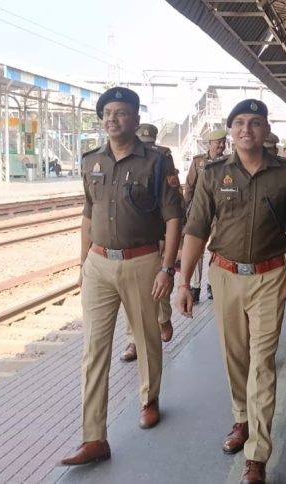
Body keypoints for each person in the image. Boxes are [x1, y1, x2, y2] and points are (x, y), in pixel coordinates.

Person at [175, 99, 286, 484]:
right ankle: (242, 419)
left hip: (269, 277)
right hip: (225, 276)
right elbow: (196, 229)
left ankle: (257, 455)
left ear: (265, 130)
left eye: (254, 122)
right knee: (235, 358)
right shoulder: (213, 173)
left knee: (262, 364)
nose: (246, 129)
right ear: (231, 130)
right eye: (239, 123)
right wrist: (184, 282)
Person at [61, 87, 183, 466]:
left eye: (121, 113)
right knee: (93, 350)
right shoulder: (91, 161)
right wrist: (82, 263)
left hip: (142, 261)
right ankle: (94, 437)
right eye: (107, 113)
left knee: (146, 338)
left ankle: (149, 399)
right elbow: (87, 213)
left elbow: (173, 218)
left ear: (135, 118)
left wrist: (167, 268)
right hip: (98, 264)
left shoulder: (157, 162)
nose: (112, 119)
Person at [116, 123, 179, 363]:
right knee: (129, 294)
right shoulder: (124, 160)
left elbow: (175, 203)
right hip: (133, 239)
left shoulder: (162, 158)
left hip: (159, 235)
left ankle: (163, 319)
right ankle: (133, 339)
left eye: (149, 143)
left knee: (159, 284)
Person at [184, 128, 228, 304]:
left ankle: (211, 283)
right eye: (218, 142)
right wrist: (189, 209)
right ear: (210, 143)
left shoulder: (228, 162)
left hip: (219, 213)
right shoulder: (198, 162)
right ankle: (195, 287)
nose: (221, 145)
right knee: (198, 248)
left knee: (216, 248)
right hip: (200, 211)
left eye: (223, 142)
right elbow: (189, 186)